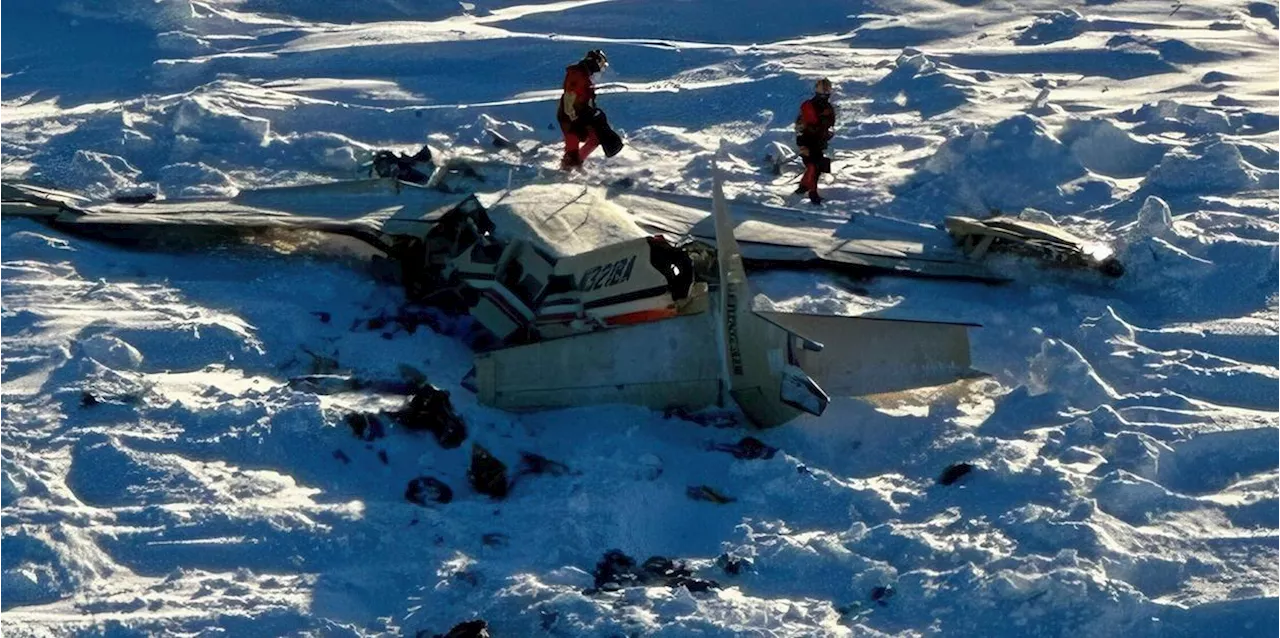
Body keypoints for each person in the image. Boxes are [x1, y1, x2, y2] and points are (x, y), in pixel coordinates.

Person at [558, 49, 613, 171]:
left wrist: (593, 113)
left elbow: (586, 99)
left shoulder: (586, 76)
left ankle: (576, 163)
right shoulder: (577, 75)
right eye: (601, 65)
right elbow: (569, 98)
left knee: (595, 138)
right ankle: (566, 172)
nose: (601, 69)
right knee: (572, 146)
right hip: (570, 118)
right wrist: (574, 118)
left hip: (582, 115)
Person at [794, 78, 837, 205]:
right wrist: (802, 144)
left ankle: (803, 186)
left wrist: (828, 134)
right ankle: (812, 193)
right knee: (813, 166)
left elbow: (830, 124)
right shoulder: (809, 105)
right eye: (823, 88)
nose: (825, 91)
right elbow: (800, 126)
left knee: (816, 167)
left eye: (827, 88)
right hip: (808, 141)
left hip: (819, 141)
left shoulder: (828, 107)